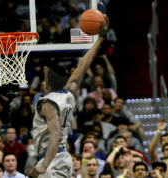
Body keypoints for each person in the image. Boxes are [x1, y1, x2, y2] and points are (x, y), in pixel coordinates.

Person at [25, 15, 109, 178]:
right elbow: (83, 66)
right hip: (60, 157)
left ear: (47, 81)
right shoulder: (68, 93)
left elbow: (55, 134)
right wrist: (100, 39)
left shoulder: (48, 103)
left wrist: (44, 166)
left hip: (52, 159)